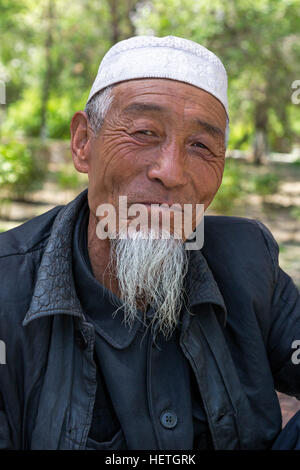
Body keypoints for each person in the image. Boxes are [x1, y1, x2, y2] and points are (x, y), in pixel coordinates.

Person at [0, 35, 299, 450]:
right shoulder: (5, 287)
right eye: (143, 132)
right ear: (83, 143)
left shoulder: (248, 260)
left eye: (200, 145)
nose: (171, 171)